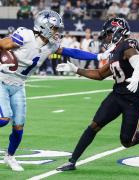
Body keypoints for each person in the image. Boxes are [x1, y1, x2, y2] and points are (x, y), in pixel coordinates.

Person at [0, 10, 112, 171]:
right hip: (2, 80)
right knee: (4, 119)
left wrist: (97, 57)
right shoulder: (25, 36)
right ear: (44, 26)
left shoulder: (51, 45)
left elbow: (71, 52)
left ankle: (10, 157)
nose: (56, 32)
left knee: (18, 126)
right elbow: (2, 44)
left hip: (19, 85)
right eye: (54, 28)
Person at [56, 17, 139, 171]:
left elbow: (138, 62)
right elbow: (100, 74)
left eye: (108, 34)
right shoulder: (114, 51)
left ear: (118, 31)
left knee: (127, 141)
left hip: (134, 98)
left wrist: (138, 73)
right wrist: (76, 70)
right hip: (117, 94)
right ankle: (72, 161)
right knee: (94, 126)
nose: (106, 38)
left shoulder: (128, 44)